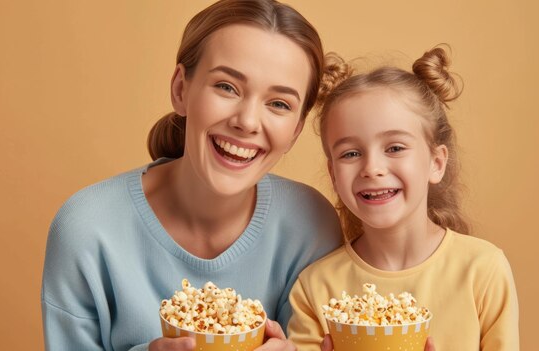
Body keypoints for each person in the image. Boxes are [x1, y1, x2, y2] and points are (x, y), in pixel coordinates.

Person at [40, 1, 344, 350]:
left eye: (279, 104)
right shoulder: (88, 228)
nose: (246, 121)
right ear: (181, 89)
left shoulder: (311, 225)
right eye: (227, 87)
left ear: (296, 130)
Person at [287, 46, 519, 351]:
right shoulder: (315, 287)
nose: (372, 168)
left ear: (436, 162)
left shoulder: (482, 270)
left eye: (395, 148)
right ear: (333, 174)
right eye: (351, 153)